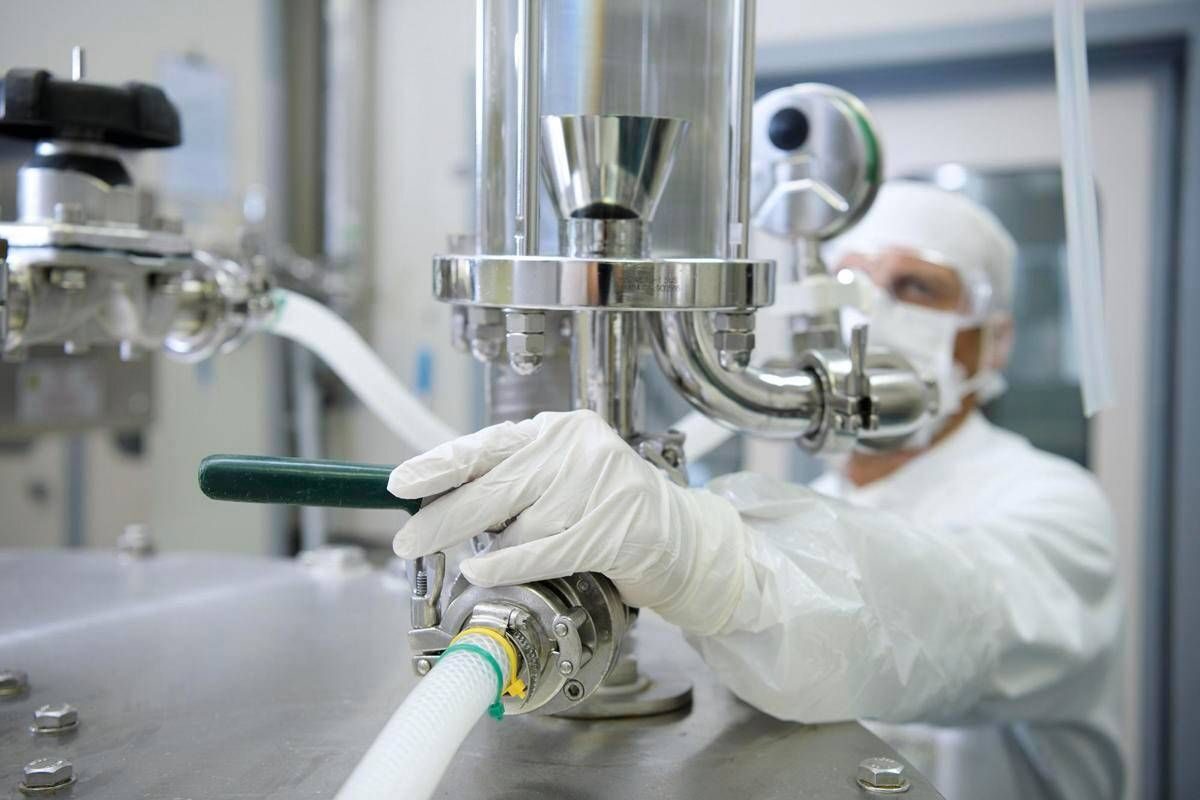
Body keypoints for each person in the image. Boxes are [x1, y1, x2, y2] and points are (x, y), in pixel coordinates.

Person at [388, 181, 1122, 800]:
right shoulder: (810, 502)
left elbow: (951, 619)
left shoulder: (1058, 506)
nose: (870, 313)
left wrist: (705, 558)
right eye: (851, 282)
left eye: (915, 287)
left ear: (993, 338)